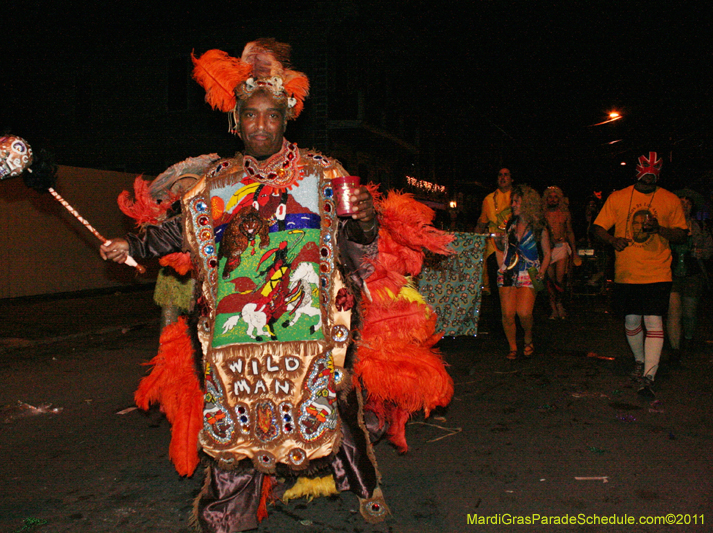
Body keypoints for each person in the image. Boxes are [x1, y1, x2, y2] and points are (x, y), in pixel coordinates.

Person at [99, 39, 433, 532]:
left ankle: (367, 494)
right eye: (250, 116)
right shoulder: (216, 183)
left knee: (337, 419)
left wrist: (363, 220)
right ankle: (225, 519)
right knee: (234, 433)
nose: (260, 126)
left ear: (285, 119)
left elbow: (357, 247)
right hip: (239, 341)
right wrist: (129, 248)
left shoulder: (322, 175)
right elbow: (179, 232)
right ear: (235, 122)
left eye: (270, 116)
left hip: (313, 333)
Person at [592, 152, 688, 398]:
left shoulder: (669, 199)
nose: (649, 179)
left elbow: (681, 234)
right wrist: (613, 240)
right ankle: (640, 360)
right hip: (627, 272)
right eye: (645, 174)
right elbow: (598, 227)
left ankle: (649, 375)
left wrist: (659, 229)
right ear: (637, 172)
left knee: (654, 320)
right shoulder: (618, 197)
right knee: (632, 321)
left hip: (658, 271)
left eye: (653, 175)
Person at [497, 184, 551, 360]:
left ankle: (528, 338)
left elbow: (548, 252)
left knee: (524, 312)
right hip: (508, 271)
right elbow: (503, 248)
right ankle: (513, 347)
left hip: (529, 272)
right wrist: (501, 265)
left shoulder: (538, 226)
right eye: (513, 201)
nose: (512, 204)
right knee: (507, 313)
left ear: (527, 203)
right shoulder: (510, 224)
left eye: (516, 201)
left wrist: (542, 271)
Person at [665, 189, 712, 364]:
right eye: (681, 202)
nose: (684, 205)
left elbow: (709, 247)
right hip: (672, 274)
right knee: (673, 311)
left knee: (689, 312)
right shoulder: (667, 226)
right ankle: (675, 348)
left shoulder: (699, 227)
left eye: (688, 203)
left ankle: (689, 339)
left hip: (693, 274)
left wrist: (702, 252)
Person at [476, 168, 513, 294]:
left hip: (514, 246)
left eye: (506, 175)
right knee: (495, 283)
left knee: (512, 284)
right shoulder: (489, 199)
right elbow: (482, 223)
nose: (502, 178)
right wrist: (472, 239)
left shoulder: (519, 198)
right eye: (500, 175)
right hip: (494, 246)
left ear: (511, 179)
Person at [543, 186, 578, 319]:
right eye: (550, 197)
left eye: (555, 197)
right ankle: (553, 307)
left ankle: (559, 304)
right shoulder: (543, 214)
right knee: (550, 280)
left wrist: (574, 252)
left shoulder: (564, 213)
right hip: (548, 248)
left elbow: (569, 232)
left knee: (560, 278)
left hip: (561, 247)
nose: (552, 199)